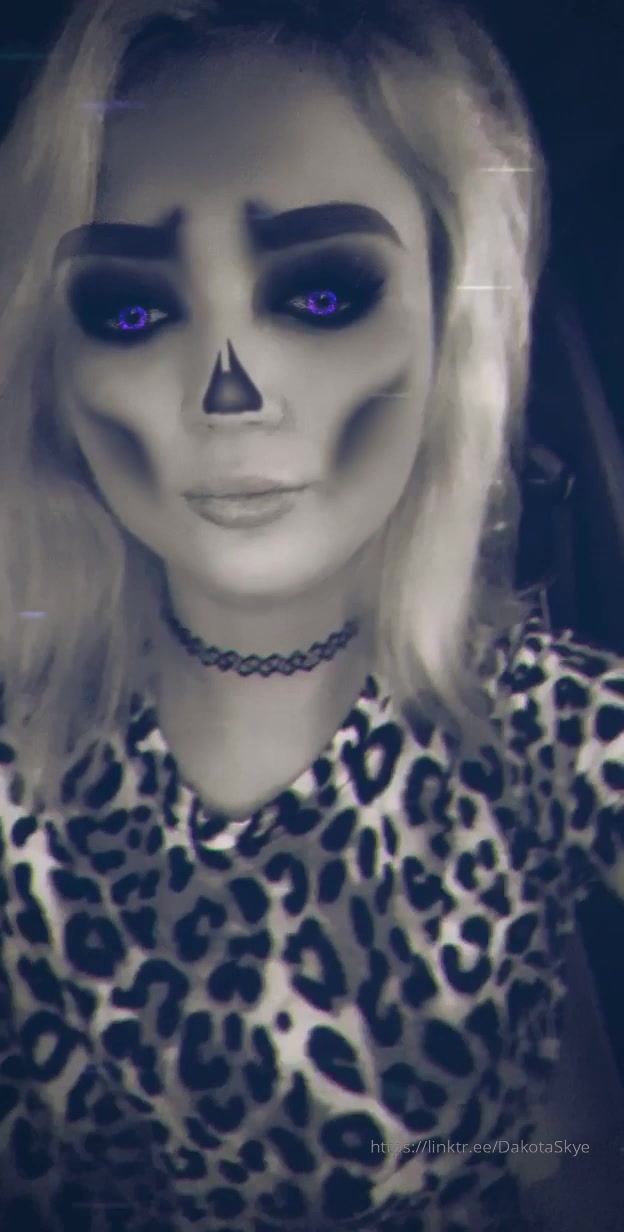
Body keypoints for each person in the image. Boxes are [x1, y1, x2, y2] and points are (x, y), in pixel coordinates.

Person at [0, 2, 621, 1230]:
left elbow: (564, 1145)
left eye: (322, 289)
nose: (226, 388)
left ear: (451, 324)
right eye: (131, 308)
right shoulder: (20, 764)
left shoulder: (548, 725)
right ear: (56, 372)